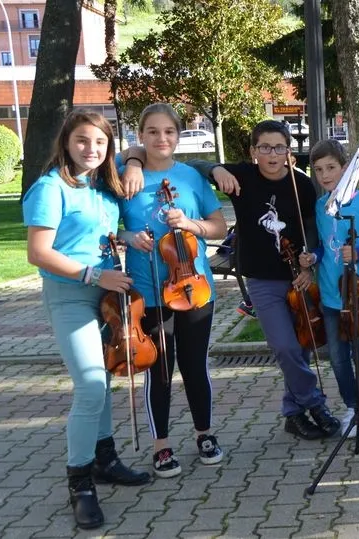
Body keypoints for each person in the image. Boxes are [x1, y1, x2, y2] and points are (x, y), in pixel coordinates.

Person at [125, 120, 342, 442]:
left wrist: (310, 261)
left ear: (288, 151)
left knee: (301, 344)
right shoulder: (242, 176)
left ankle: (293, 414)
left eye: (279, 147)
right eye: (264, 147)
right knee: (284, 346)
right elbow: (193, 164)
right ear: (253, 151)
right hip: (261, 278)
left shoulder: (301, 183)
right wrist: (216, 170)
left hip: (298, 276)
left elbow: (311, 227)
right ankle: (315, 403)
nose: (272, 154)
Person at [23, 109, 150, 530]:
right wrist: (95, 274)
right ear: (65, 142)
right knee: (91, 384)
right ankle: (80, 483)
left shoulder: (103, 184)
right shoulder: (50, 187)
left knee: (104, 380)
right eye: (81, 141)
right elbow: (39, 253)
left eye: (99, 142)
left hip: (108, 299)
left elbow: (102, 236)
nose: (90, 149)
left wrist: (133, 238)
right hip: (70, 296)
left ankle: (105, 458)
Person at [116, 103, 228, 478]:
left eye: (169, 132)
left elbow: (219, 228)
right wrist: (128, 235)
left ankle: (204, 434)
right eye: (152, 131)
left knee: (195, 366)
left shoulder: (191, 178)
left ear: (178, 136)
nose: (161, 138)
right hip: (148, 290)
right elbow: (107, 226)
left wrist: (191, 224)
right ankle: (161, 445)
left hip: (195, 289)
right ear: (140, 135)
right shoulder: (123, 175)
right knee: (159, 369)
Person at [297, 139, 359, 441]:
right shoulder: (321, 207)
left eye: (331, 167)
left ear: (346, 168)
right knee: (337, 356)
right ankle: (351, 408)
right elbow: (322, 246)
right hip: (332, 297)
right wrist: (313, 257)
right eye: (318, 170)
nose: (324, 175)